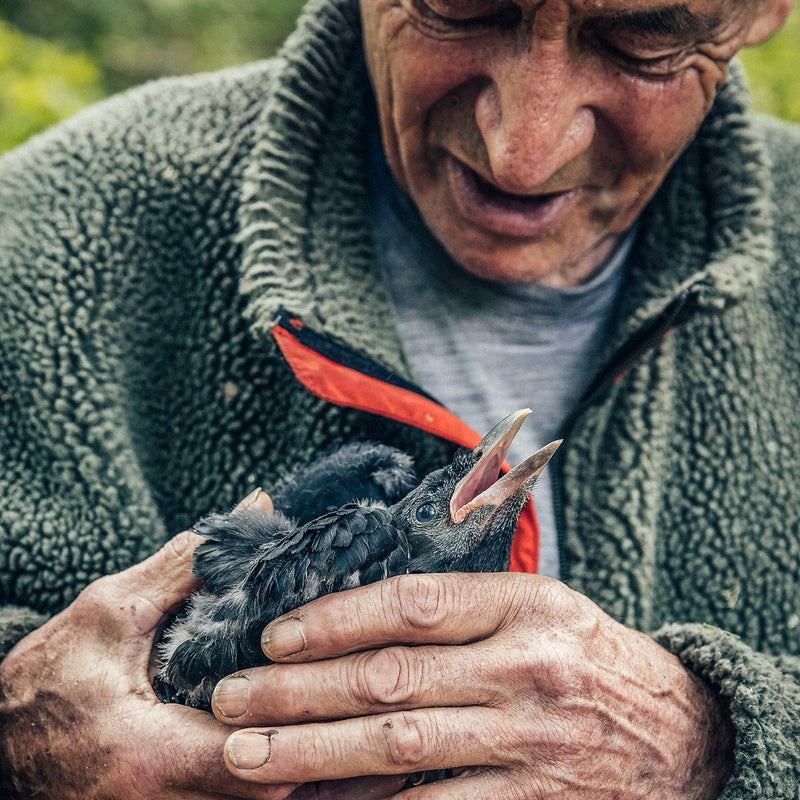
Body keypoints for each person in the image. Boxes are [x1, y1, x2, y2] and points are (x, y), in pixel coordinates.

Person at [0, 0, 798, 796]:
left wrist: (717, 740)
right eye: (461, 10)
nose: (523, 150)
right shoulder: (36, 243)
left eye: (643, 43)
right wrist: (17, 739)